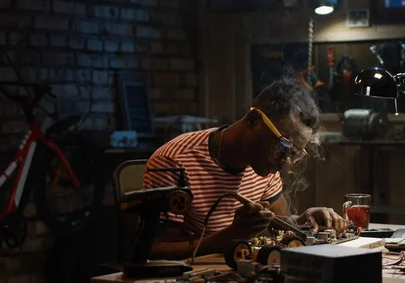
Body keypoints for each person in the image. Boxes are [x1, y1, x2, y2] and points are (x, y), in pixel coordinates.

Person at [142, 77, 347, 259]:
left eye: (294, 153)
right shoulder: (175, 161)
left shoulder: (263, 167)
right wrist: (230, 236)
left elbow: (279, 221)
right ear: (253, 121)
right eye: (284, 146)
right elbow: (152, 250)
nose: (286, 163)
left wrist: (302, 221)